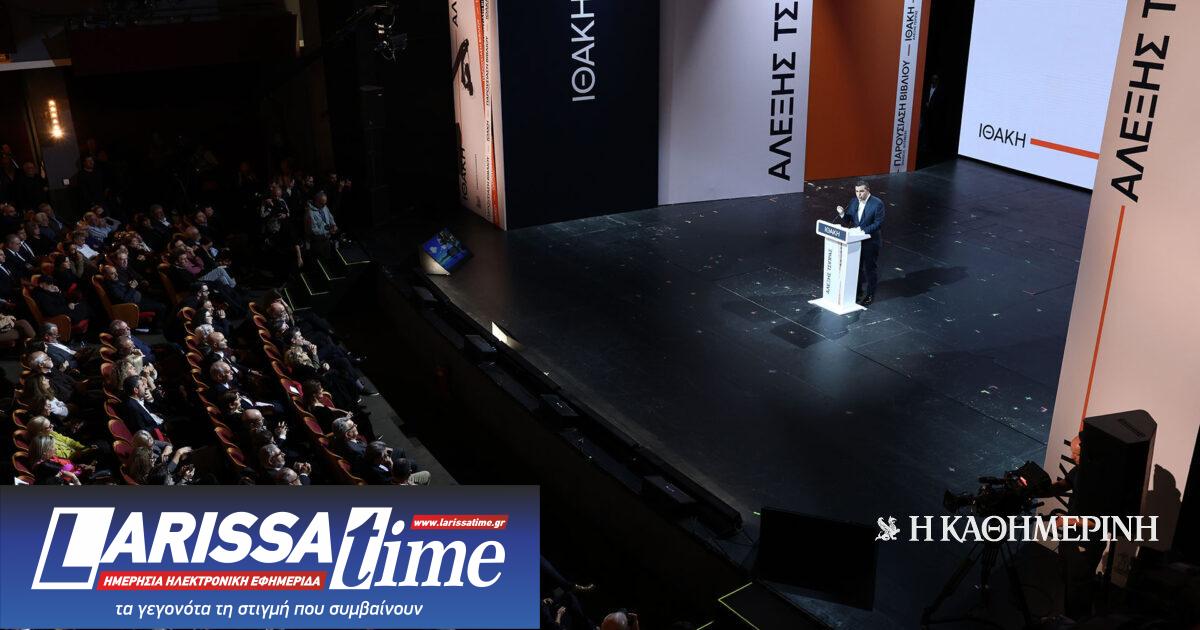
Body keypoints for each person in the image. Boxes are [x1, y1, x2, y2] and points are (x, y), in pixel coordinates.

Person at [835, 180, 885, 305]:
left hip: (871, 242)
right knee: (856, 268)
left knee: (870, 269)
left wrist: (862, 231)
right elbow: (850, 220)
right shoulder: (853, 201)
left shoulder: (877, 203)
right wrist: (842, 214)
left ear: (868, 190)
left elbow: (878, 223)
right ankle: (858, 291)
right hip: (856, 241)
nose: (859, 194)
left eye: (861, 191)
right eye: (857, 191)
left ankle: (870, 294)